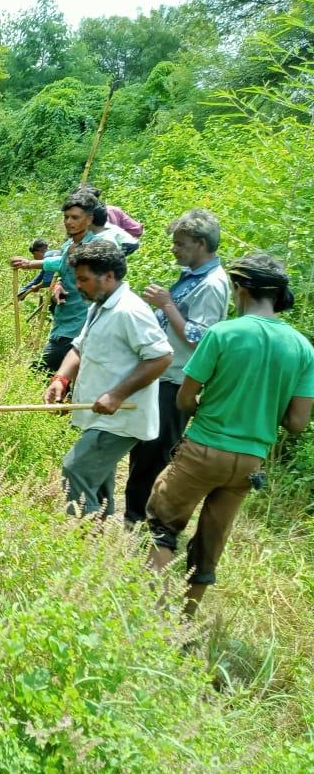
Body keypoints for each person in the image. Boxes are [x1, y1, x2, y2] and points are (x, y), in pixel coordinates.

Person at [146, 253, 314, 616]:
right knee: (212, 538)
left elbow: (185, 397)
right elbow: (298, 423)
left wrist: (205, 408)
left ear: (239, 289)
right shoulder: (302, 348)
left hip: (204, 449)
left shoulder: (223, 333)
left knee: (164, 522)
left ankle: (152, 616)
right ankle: (187, 620)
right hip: (250, 463)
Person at [44, 240, 173, 518]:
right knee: (96, 484)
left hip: (119, 420)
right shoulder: (100, 305)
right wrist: (61, 380)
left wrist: (116, 395)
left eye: (84, 279)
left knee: (75, 470)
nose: (78, 286)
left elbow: (161, 357)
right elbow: (79, 347)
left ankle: (82, 541)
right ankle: (100, 544)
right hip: (98, 414)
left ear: (109, 276)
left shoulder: (130, 311)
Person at [123, 210, 229, 528]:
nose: (174, 249)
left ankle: (141, 520)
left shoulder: (212, 284)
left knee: (156, 452)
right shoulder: (192, 276)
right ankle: (134, 514)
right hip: (161, 374)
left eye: (180, 244)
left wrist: (167, 305)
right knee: (145, 448)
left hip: (177, 379)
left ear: (200, 243)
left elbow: (201, 339)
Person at [11, 192, 98, 373]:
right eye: (66, 217)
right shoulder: (69, 245)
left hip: (80, 325)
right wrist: (53, 281)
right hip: (63, 321)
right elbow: (62, 265)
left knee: (38, 372)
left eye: (75, 217)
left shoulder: (95, 248)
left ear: (89, 219)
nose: (68, 222)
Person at [79, 183, 143, 239]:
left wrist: (120, 239)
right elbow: (137, 229)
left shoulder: (81, 216)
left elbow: (136, 229)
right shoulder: (113, 210)